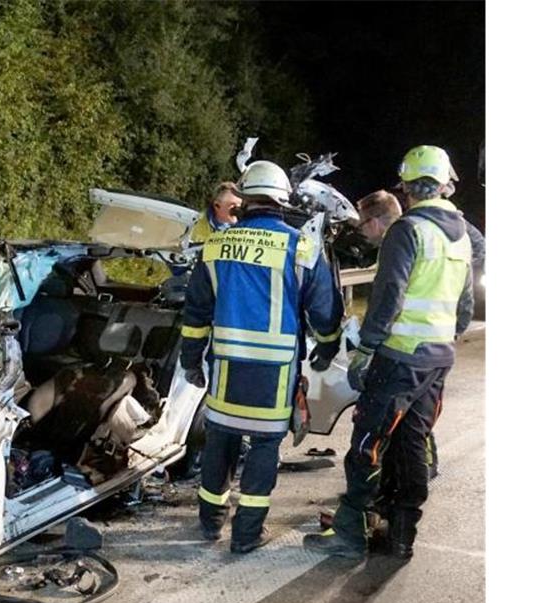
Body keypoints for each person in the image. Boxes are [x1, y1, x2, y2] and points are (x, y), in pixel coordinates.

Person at [305, 145, 474, 561]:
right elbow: (465, 306)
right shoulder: (462, 234)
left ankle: (349, 531)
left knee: (368, 440)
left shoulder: (408, 229)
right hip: (438, 357)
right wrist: (442, 338)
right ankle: (401, 535)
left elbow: (388, 296)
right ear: (445, 184)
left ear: (410, 187)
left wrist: (366, 348)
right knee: (411, 443)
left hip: (400, 356)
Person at [180, 160, 344, 553]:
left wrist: (190, 360)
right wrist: (328, 345)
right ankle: (247, 535)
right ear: (283, 200)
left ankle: (209, 524)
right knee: (264, 449)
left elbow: (196, 313)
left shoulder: (216, 246)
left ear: (244, 199)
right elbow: (323, 312)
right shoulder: (300, 247)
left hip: (225, 369)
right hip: (274, 373)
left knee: (220, 441)